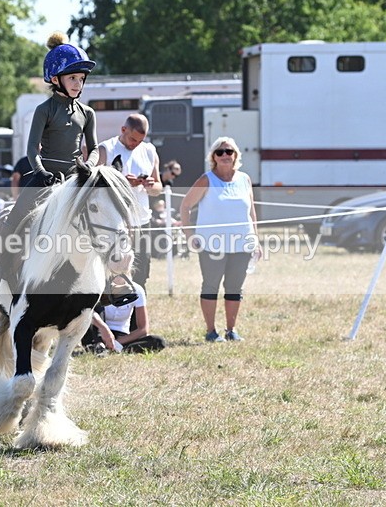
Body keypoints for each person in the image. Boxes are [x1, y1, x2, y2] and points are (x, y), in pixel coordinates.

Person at [0, 31, 99, 296]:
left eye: (81, 79)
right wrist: (41, 172)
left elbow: (94, 148)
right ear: (55, 78)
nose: (78, 83)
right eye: (72, 78)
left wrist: (88, 166)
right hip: (45, 176)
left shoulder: (88, 113)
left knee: (104, 218)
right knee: (15, 217)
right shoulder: (44, 109)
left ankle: (115, 279)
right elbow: (31, 149)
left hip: (75, 177)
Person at [180, 137, 260, 343]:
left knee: (235, 287)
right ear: (213, 157)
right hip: (212, 245)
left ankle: (231, 330)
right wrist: (190, 235)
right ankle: (210, 331)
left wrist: (256, 240)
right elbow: (185, 206)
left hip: (241, 244)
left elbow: (251, 212)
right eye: (220, 152)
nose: (225, 155)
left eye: (229, 151)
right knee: (211, 286)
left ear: (235, 155)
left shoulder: (244, 179)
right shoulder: (207, 179)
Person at [97, 113, 163, 290]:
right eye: (132, 139)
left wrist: (150, 184)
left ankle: (137, 317)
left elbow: (158, 188)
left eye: (140, 141)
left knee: (141, 275)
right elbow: (95, 187)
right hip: (114, 224)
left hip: (141, 221)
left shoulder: (149, 151)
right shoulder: (106, 149)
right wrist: (122, 182)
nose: (135, 144)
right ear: (123, 129)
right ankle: (112, 316)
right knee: (112, 275)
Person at [82, 275, 166, 353]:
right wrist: (103, 328)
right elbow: (86, 311)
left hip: (121, 336)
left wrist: (115, 342)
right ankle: (98, 345)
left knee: (158, 341)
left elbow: (143, 329)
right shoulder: (98, 285)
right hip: (98, 332)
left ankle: (113, 348)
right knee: (95, 309)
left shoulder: (136, 289)